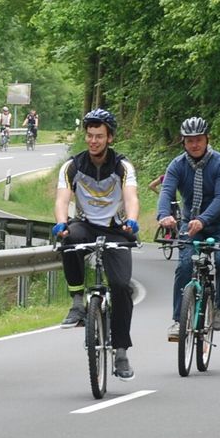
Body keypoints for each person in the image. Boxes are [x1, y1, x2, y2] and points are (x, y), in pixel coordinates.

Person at [53, 108, 140, 380]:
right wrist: (60, 222)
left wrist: (133, 221)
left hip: (116, 229)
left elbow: (131, 198)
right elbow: (62, 199)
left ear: (110, 138)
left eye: (99, 136)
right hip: (86, 224)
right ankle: (78, 301)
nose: (93, 141)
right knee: (68, 239)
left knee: (122, 286)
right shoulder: (73, 166)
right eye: (90, 136)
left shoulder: (122, 167)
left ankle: (122, 351)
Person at [157, 116, 220, 342]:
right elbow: (166, 191)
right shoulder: (177, 165)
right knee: (184, 265)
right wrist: (164, 215)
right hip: (190, 223)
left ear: (206, 139)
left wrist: (203, 219)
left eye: (198, 139)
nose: (194, 144)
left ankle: (219, 306)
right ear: (183, 142)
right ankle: (177, 319)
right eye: (189, 140)